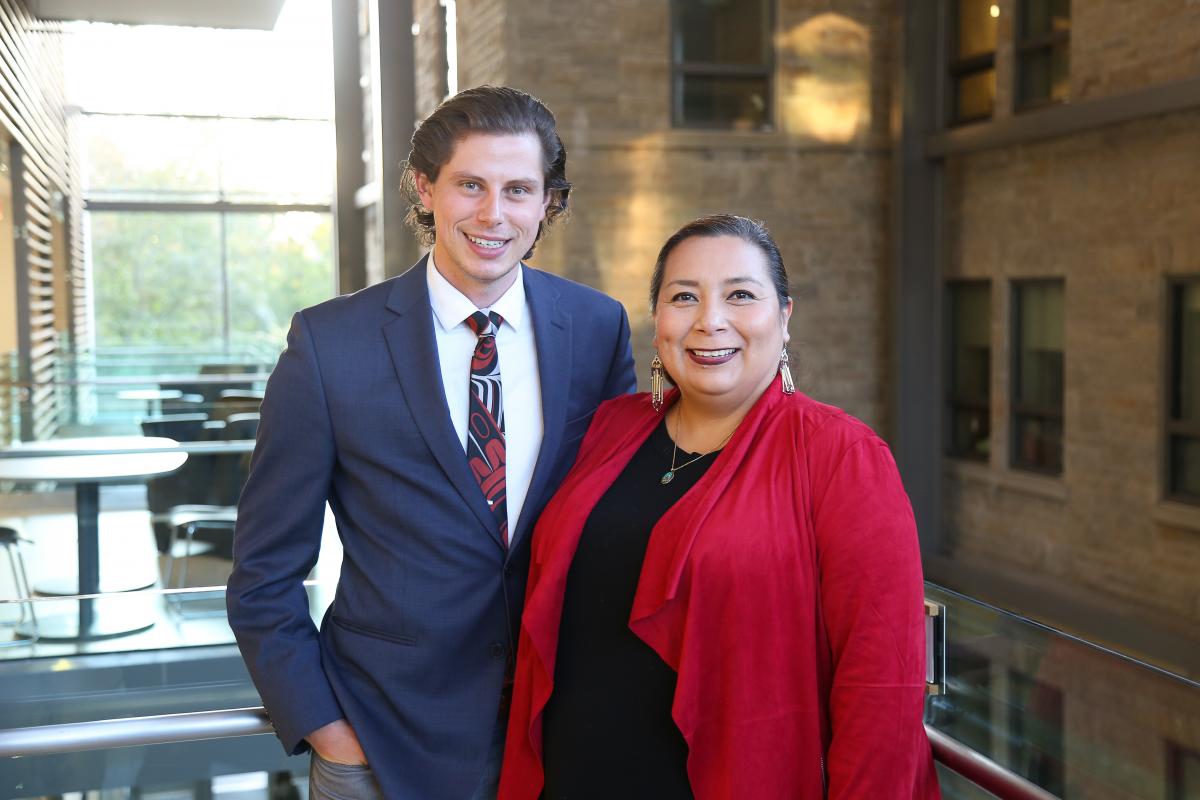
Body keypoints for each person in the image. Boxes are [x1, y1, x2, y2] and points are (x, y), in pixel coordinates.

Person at [225, 86, 637, 800]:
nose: (493, 214)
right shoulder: (329, 345)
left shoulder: (597, 328)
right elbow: (263, 576)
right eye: (470, 185)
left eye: (518, 189)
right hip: (384, 744)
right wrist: (326, 728)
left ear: (546, 202)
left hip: (559, 739)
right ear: (426, 188)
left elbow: (624, 519)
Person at [499, 214, 941, 799]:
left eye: (740, 295)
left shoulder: (842, 457)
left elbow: (882, 684)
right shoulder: (611, 428)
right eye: (684, 297)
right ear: (657, 322)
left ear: (784, 317)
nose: (710, 320)